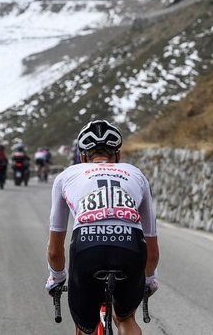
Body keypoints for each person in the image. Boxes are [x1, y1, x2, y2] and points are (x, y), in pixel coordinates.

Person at [45, 119, 159, 335]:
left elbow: (54, 249)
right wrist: (149, 280)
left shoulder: (66, 176)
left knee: (84, 327)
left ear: (82, 157)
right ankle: (125, 322)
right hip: (130, 247)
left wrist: (56, 278)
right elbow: (152, 250)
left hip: (87, 248)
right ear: (118, 155)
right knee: (125, 318)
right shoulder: (137, 175)